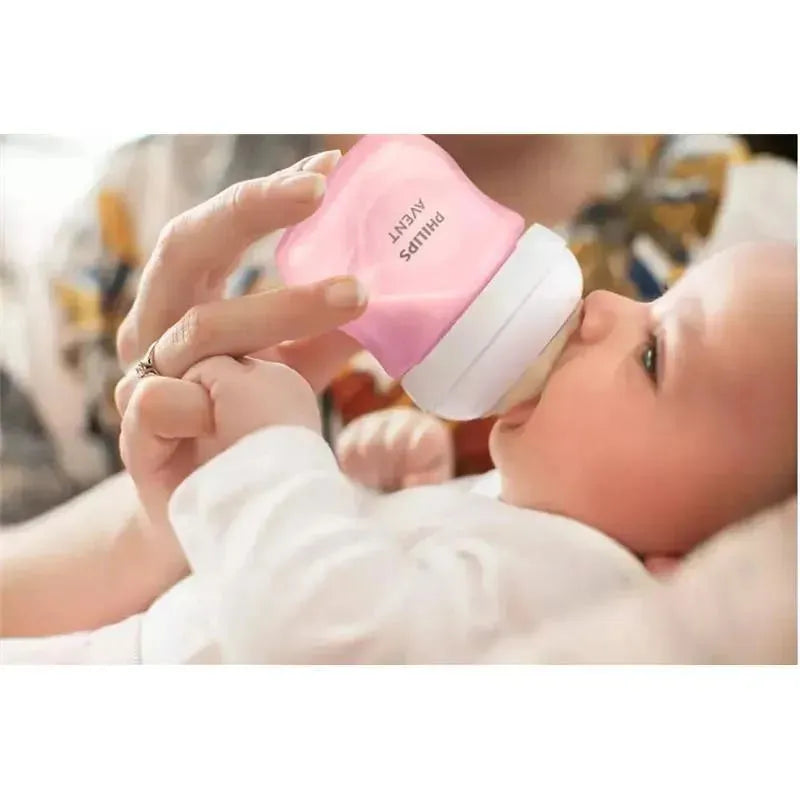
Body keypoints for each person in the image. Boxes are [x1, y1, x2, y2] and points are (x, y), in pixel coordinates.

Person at [2, 237, 794, 663]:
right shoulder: (548, 529)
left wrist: (269, 456)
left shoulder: (590, 587)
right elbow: (394, 605)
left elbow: (325, 643)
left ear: (708, 567)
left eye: (654, 354)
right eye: (653, 296)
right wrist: (376, 498)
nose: (602, 305)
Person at [3, 135, 796, 523]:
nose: (600, 306)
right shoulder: (142, 209)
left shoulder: (767, 239)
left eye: (653, 348)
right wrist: (166, 517)